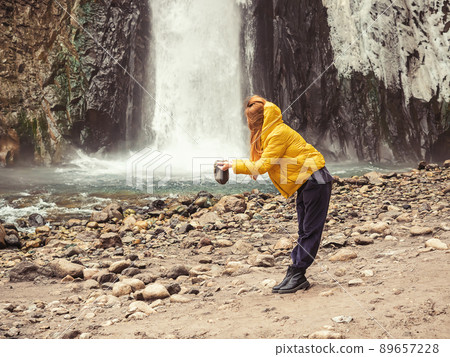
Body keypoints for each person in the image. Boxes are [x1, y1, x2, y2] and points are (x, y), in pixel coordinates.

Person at [217, 95, 333, 294]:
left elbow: (262, 166)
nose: (248, 125)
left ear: (256, 121)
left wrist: (233, 165)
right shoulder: (271, 133)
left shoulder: (277, 133)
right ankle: (296, 273)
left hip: (315, 179)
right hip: (307, 181)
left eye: (249, 120)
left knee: (310, 231)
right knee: (304, 230)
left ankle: (297, 272)